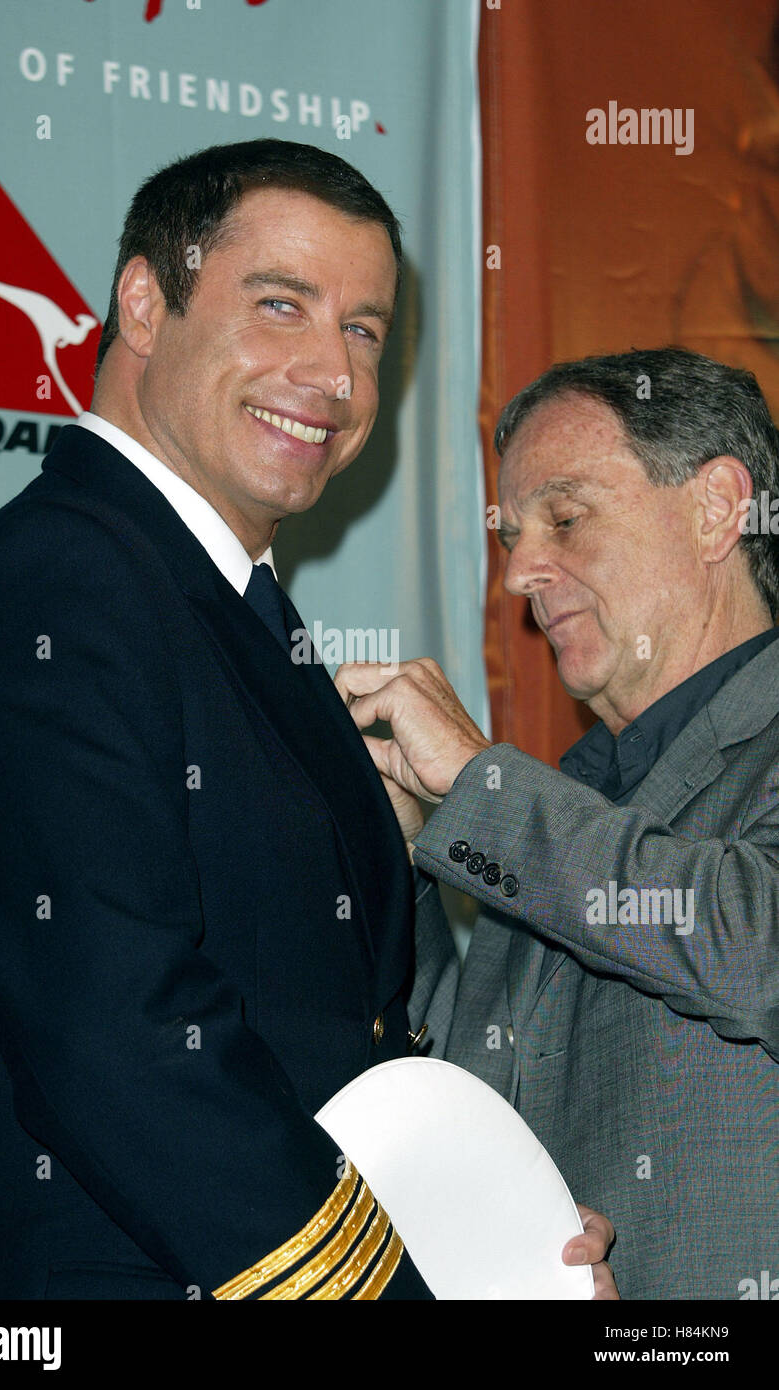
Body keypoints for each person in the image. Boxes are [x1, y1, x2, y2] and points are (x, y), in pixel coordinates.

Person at [0, 140, 613, 1300]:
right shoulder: (61, 582)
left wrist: (491, 1234)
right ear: (144, 301)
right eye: (279, 304)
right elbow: (121, 1037)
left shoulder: (217, 608)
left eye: (364, 331)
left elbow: (343, 1053)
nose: (331, 374)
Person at [337, 347, 779, 1300]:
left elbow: (757, 948)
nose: (520, 575)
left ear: (715, 508)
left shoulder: (520, 811)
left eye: (565, 519)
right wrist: (403, 855)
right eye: (508, 537)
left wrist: (479, 786)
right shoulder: (553, 805)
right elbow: (462, 1084)